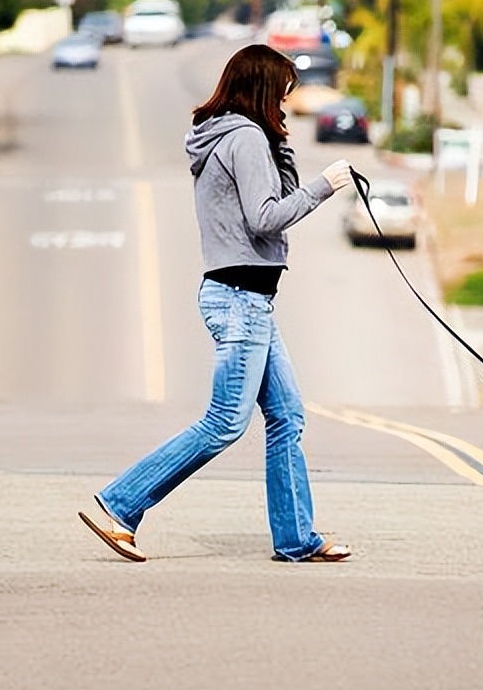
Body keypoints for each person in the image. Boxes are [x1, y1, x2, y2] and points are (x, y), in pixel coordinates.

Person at [78, 43, 354, 564]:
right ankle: (120, 504)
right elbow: (266, 217)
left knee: (287, 415)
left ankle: (296, 539)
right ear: (264, 90)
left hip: (249, 299)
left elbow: (273, 200)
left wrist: (284, 147)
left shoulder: (242, 136)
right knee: (225, 422)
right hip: (239, 299)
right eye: (284, 94)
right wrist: (325, 185)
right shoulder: (243, 138)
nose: (288, 104)